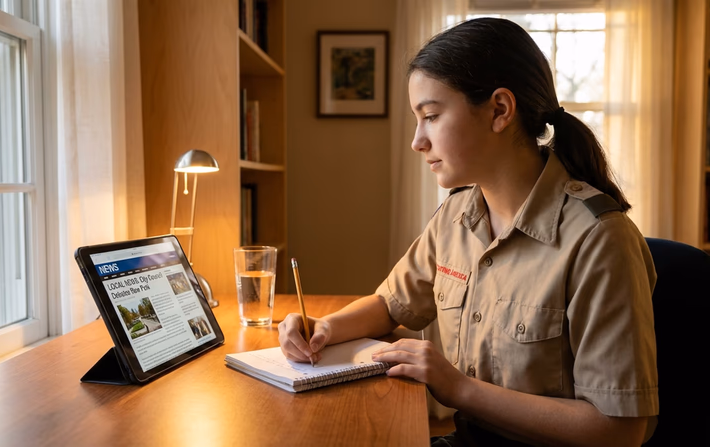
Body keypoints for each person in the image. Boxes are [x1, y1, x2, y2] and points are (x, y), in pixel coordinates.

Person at [278, 17, 658, 447]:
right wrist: (322, 327)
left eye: (432, 116)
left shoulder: (600, 239)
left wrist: (459, 388)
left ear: (499, 110)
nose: (417, 141)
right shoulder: (456, 215)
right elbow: (391, 305)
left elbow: (620, 431)